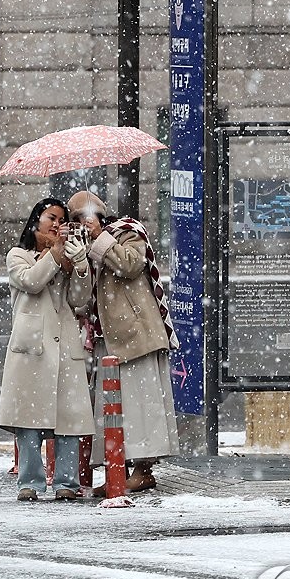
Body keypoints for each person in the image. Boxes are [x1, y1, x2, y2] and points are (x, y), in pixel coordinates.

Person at [68, 191, 180, 495]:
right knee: (114, 410)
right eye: (75, 219)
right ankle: (120, 468)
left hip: (137, 334)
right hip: (109, 338)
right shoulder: (86, 246)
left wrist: (101, 238)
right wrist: (79, 256)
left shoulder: (129, 231)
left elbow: (131, 265)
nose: (81, 224)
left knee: (142, 405)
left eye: (83, 217)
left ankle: (143, 469)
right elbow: (81, 295)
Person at [0, 198, 93, 501]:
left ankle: (67, 482)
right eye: (52, 217)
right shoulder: (18, 255)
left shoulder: (64, 259)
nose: (56, 224)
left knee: (69, 419)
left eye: (62, 220)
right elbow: (32, 282)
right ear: (36, 219)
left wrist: (79, 266)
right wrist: (55, 254)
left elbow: (79, 301)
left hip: (64, 343)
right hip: (31, 348)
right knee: (28, 420)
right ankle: (31, 482)